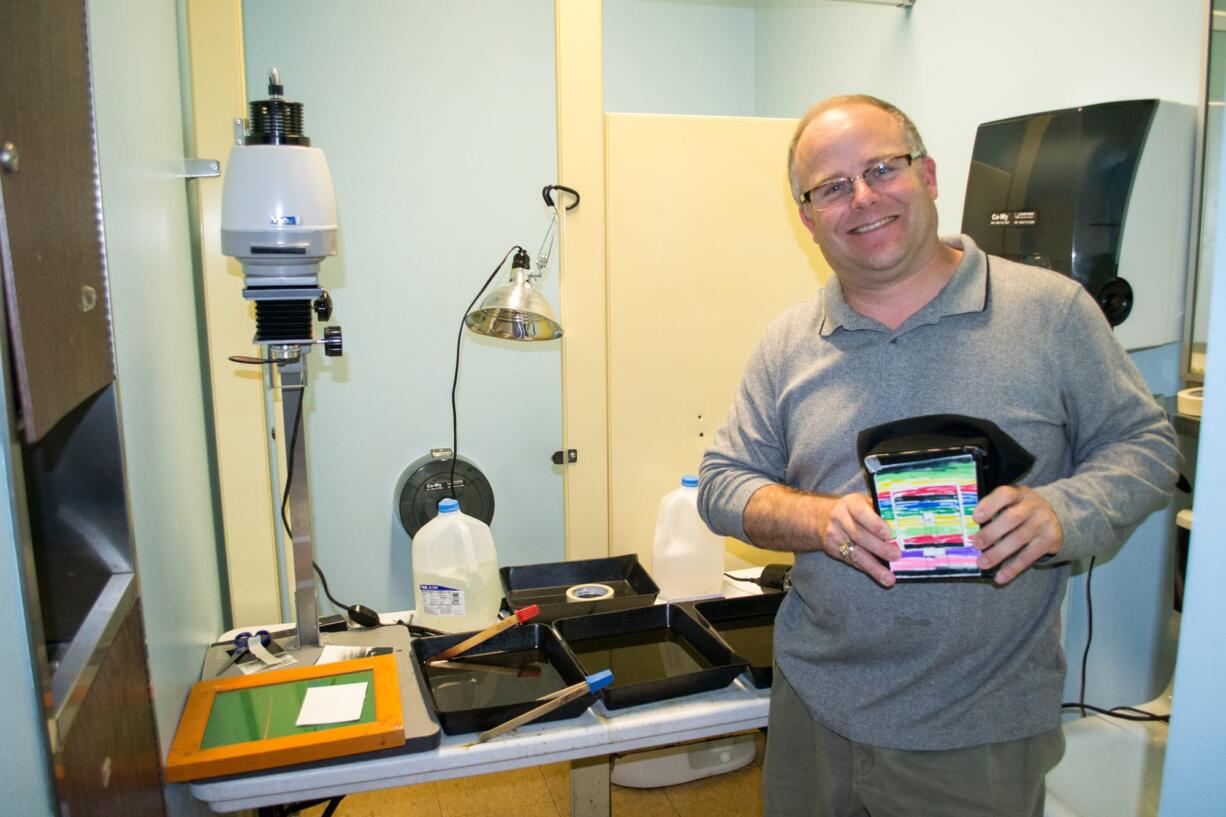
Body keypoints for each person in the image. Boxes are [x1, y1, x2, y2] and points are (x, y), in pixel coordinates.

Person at [697, 95, 1181, 817]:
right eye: (830, 187)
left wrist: (1065, 510)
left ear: (927, 174)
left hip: (977, 732)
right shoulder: (789, 342)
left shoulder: (1051, 313)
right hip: (814, 713)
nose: (861, 198)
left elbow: (1147, 445)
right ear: (807, 218)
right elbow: (721, 483)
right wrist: (821, 519)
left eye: (881, 169)